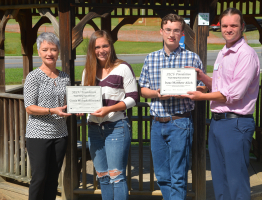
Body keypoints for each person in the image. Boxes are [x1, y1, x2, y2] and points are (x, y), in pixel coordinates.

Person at [182, 8, 260, 200]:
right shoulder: (223, 52)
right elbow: (220, 86)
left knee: (236, 181)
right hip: (218, 123)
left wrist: (202, 98)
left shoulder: (246, 55)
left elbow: (233, 94)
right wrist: (203, 78)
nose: (228, 29)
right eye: (225, 25)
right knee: (220, 179)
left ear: (242, 27)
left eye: (233, 25)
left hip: (236, 123)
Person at [138, 13, 205, 200]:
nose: (172, 34)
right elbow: (143, 89)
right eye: (168, 30)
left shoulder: (192, 58)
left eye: (176, 30)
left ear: (182, 33)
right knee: (162, 176)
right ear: (161, 31)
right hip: (157, 123)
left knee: (178, 175)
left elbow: (203, 87)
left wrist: (191, 90)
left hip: (180, 122)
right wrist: (157, 93)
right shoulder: (150, 59)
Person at [79, 30, 138, 200]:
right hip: (94, 129)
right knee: (103, 176)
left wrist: (109, 109)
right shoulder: (87, 72)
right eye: (97, 47)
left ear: (111, 46)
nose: (101, 50)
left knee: (116, 176)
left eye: (105, 45)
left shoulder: (123, 68)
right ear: (92, 49)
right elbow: (84, 99)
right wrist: (81, 109)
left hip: (116, 128)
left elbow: (133, 98)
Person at [24, 32, 71, 200]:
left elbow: (69, 102)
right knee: (39, 177)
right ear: (39, 52)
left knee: (53, 179)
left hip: (60, 134)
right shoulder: (33, 77)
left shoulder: (65, 77)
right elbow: (29, 107)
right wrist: (52, 110)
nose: (49, 53)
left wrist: (78, 107)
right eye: (45, 49)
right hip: (38, 135)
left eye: (53, 49)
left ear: (58, 52)